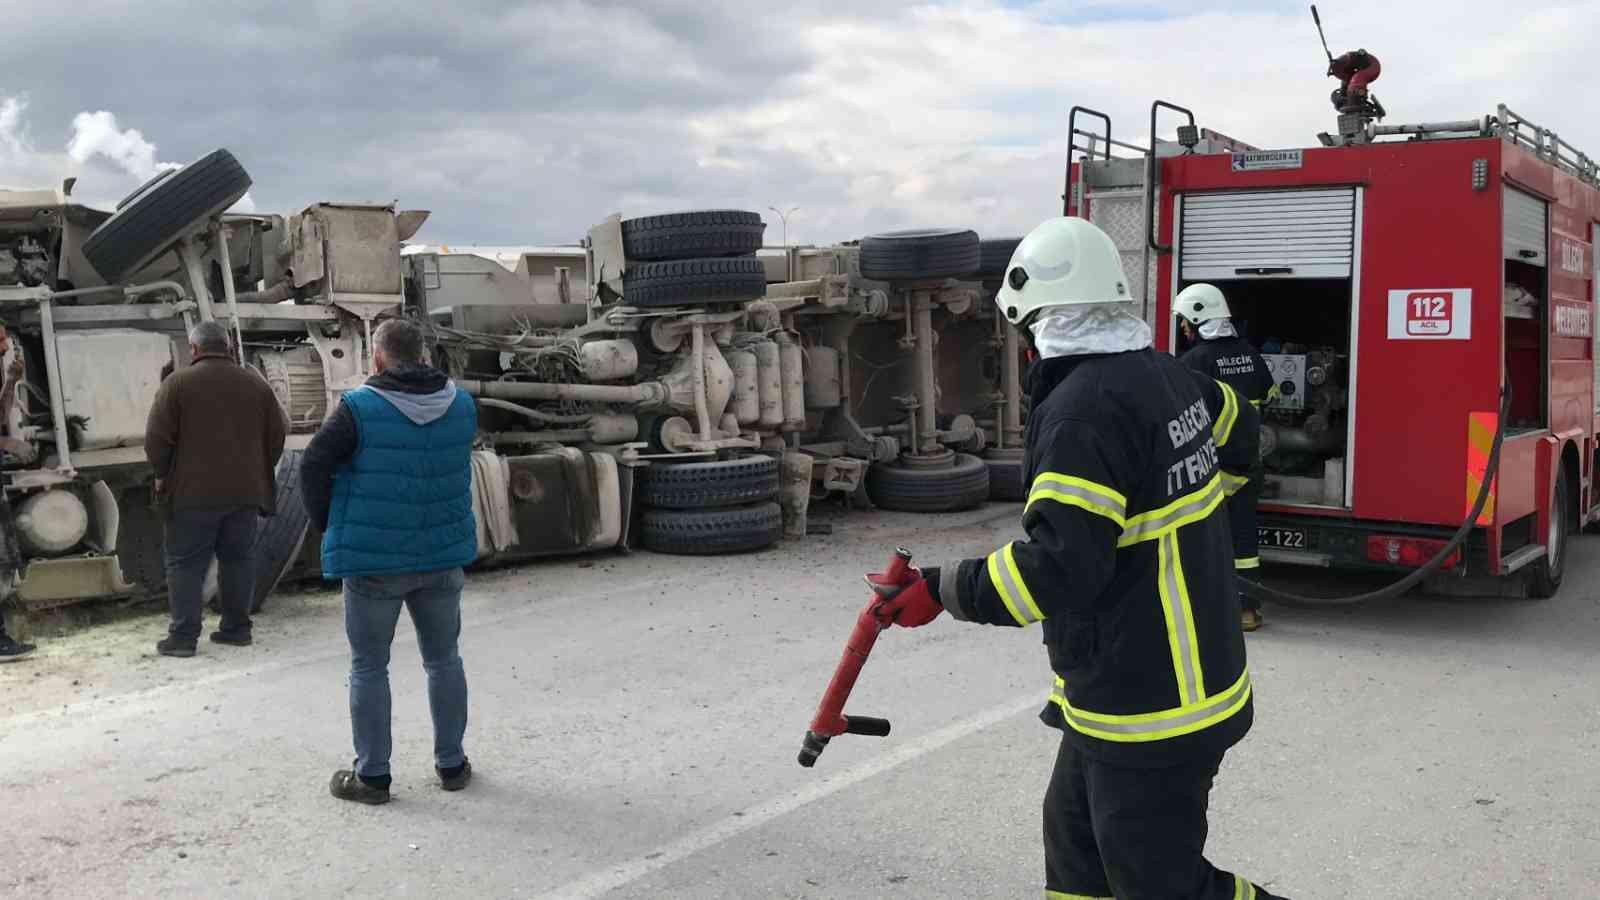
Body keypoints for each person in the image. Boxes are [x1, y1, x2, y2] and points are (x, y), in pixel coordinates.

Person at [869, 218, 1283, 899]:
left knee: (1161, 886)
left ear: (1039, 325)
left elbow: (1062, 567)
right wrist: (1210, 505)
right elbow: (1243, 428)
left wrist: (944, 589)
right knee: (1077, 859)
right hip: (1136, 688)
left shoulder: (1083, 413)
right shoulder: (1168, 377)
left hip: (1153, 706)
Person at [300, 318, 478, 805]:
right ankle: (452, 764)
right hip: (441, 558)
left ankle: (373, 777)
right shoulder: (461, 406)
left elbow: (313, 463)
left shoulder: (358, 409)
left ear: (377, 358)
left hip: (374, 565)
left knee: (369, 667)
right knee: (444, 660)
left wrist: (329, 525)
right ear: (423, 356)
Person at [144, 321, 287, 658]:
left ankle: (182, 638)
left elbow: (156, 439)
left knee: (185, 564)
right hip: (245, 494)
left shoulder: (177, 383)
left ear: (194, 350)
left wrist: (162, 473)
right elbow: (277, 436)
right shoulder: (257, 385)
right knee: (238, 560)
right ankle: (237, 629)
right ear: (229, 347)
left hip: (192, 494)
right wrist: (256, 470)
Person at [1176, 283, 1275, 632]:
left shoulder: (1193, 362)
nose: (1183, 329)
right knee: (1245, 540)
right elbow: (1270, 394)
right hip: (1249, 463)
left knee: (1206, 540)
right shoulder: (1251, 353)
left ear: (1198, 317)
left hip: (1210, 467)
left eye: (1185, 322)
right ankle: (1248, 610)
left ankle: (1208, 608)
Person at [1328, 48, 1380, 115]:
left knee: (1356, 81)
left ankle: (1352, 97)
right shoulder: (1349, 76)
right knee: (1356, 82)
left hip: (1371, 66)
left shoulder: (1351, 68)